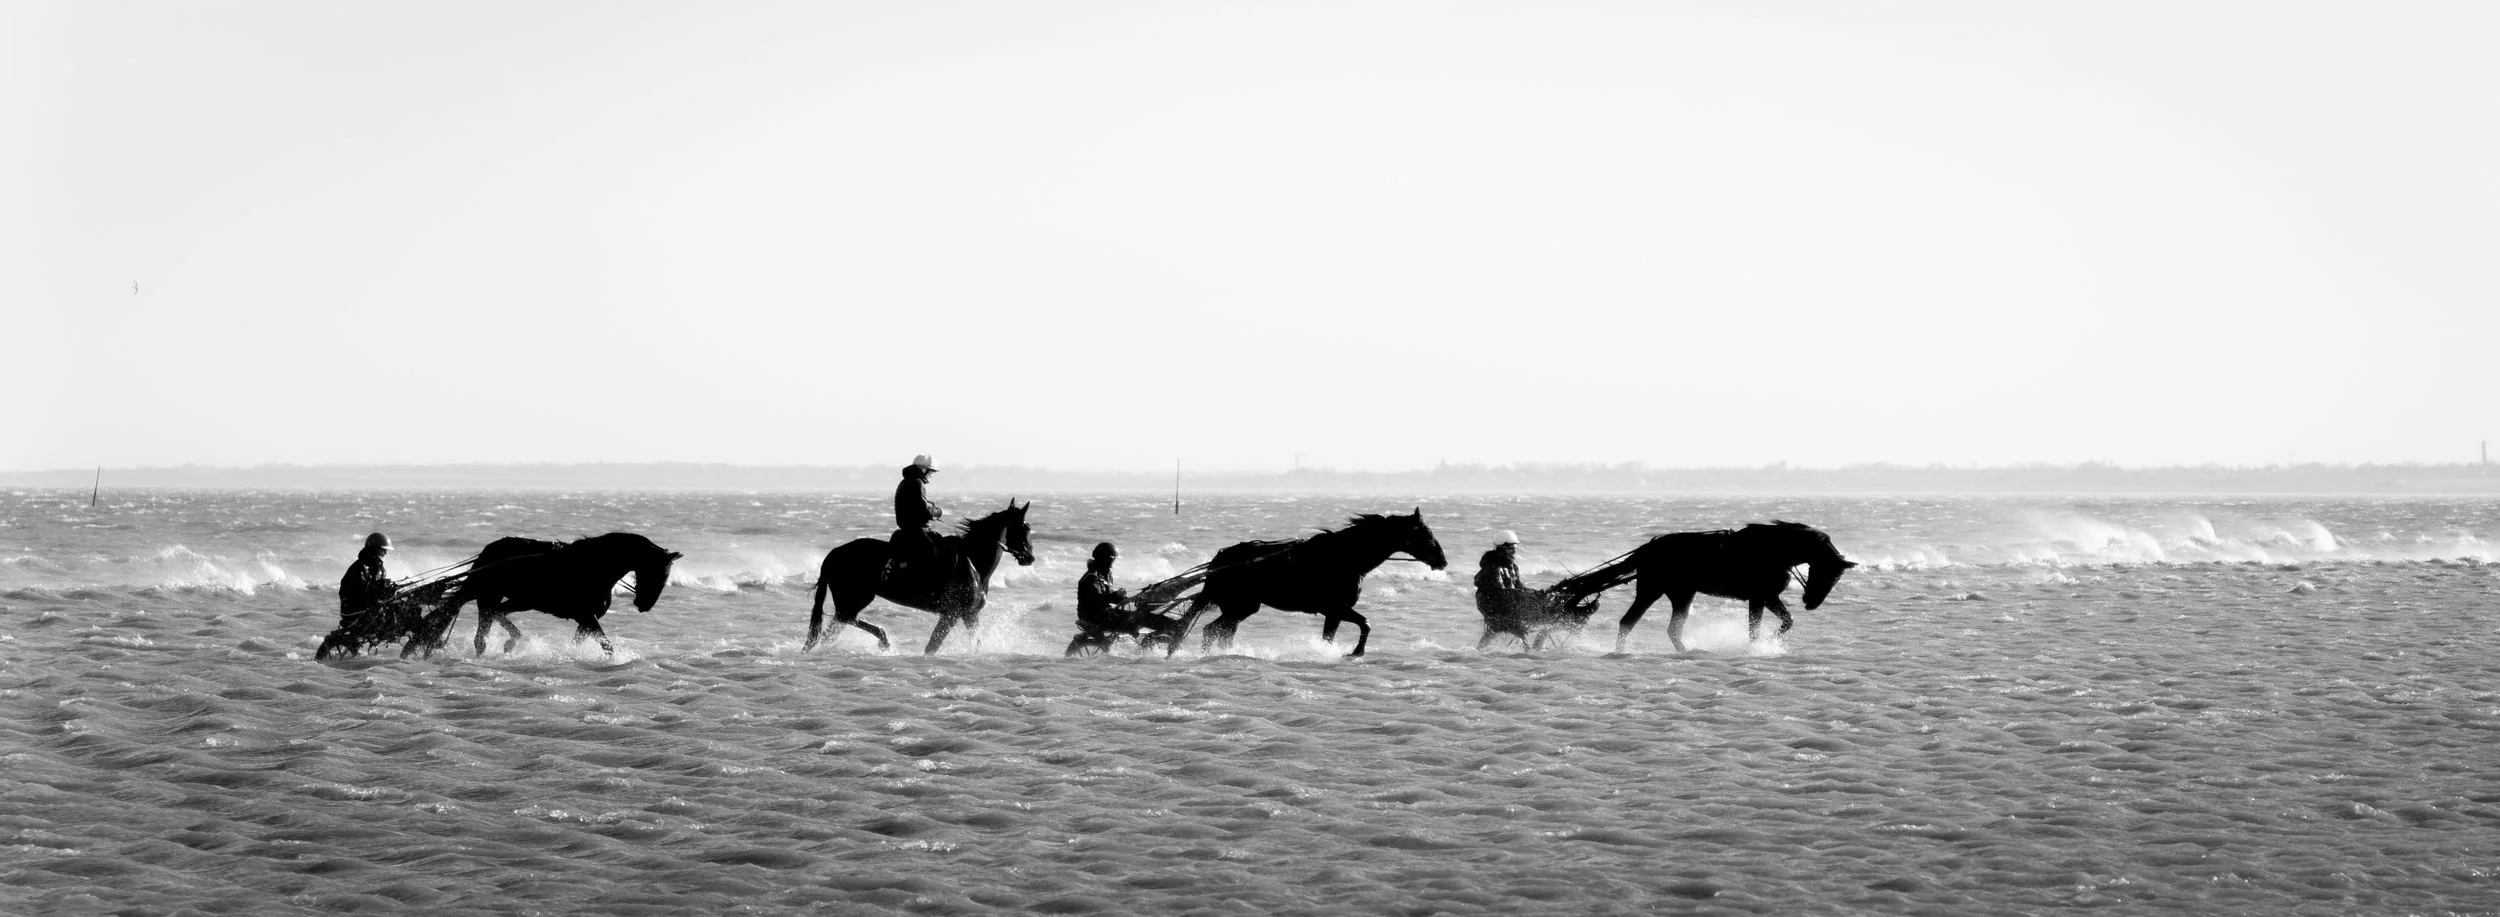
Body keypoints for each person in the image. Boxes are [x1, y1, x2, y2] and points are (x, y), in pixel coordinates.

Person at [890, 454, 945, 581]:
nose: (932, 475)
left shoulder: (909, 481)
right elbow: (924, 510)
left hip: (910, 526)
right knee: (931, 551)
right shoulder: (916, 483)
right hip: (914, 528)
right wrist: (938, 512)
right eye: (932, 471)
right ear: (923, 469)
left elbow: (918, 505)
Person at [339, 531, 399, 623]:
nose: (386, 553)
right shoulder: (358, 568)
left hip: (370, 608)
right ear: (375, 549)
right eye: (383, 550)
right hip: (352, 611)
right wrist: (380, 589)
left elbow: (376, 594)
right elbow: (360, 592)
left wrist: (389, 590)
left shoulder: (381, 569)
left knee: (401, 606)